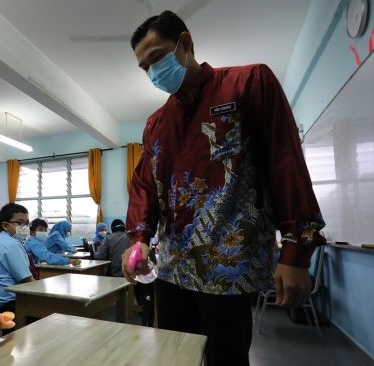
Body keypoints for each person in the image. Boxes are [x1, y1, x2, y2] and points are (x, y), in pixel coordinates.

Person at [123, 11, 326, 365]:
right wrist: (137, 238)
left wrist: (296, 250)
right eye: (145, 67)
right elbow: (145, 185)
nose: (153, 72)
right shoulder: (156, 123)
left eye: (157, 57)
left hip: (229, 271)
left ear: (185, 43)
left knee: (226, 360)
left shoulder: (250, 84)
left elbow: (285, 162)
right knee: (173, 357)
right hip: (172, 270)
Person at [0, 203, 34, 312]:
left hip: (0, 298)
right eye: (19, 223)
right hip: (9, 302)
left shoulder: (3, 239)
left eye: (27, 223)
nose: (25, 227)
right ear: (5, 225)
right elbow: (26, 280)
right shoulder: (10, 244)